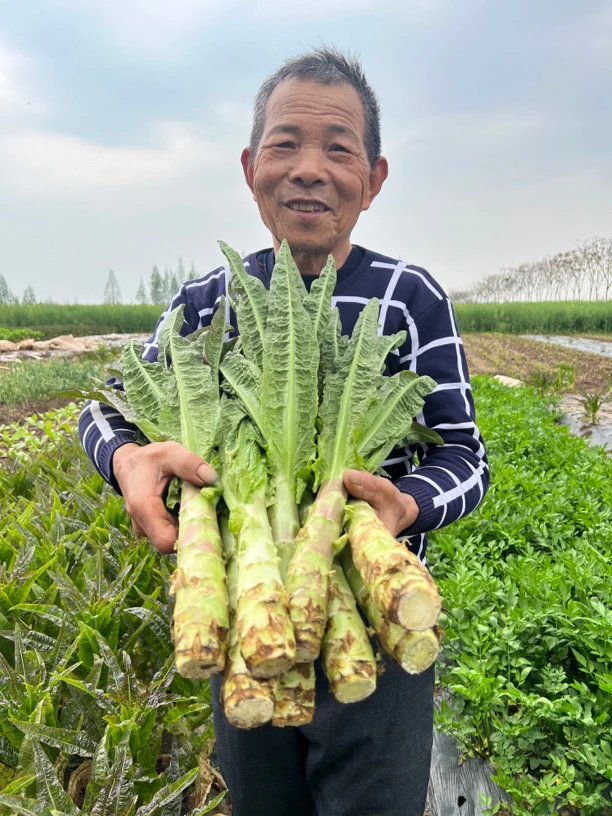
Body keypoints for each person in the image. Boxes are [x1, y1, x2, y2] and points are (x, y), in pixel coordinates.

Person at [79, 47, 489, 816]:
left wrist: (405, 507)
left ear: (374, 180)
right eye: (285, 144)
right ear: (249, 168)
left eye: (339, 148)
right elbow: (104, 409)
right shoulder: (207, 302)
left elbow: (467, 456)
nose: (309, 167)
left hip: (381, 623)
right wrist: (129, 459)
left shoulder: (409, 298)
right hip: (239, 622)